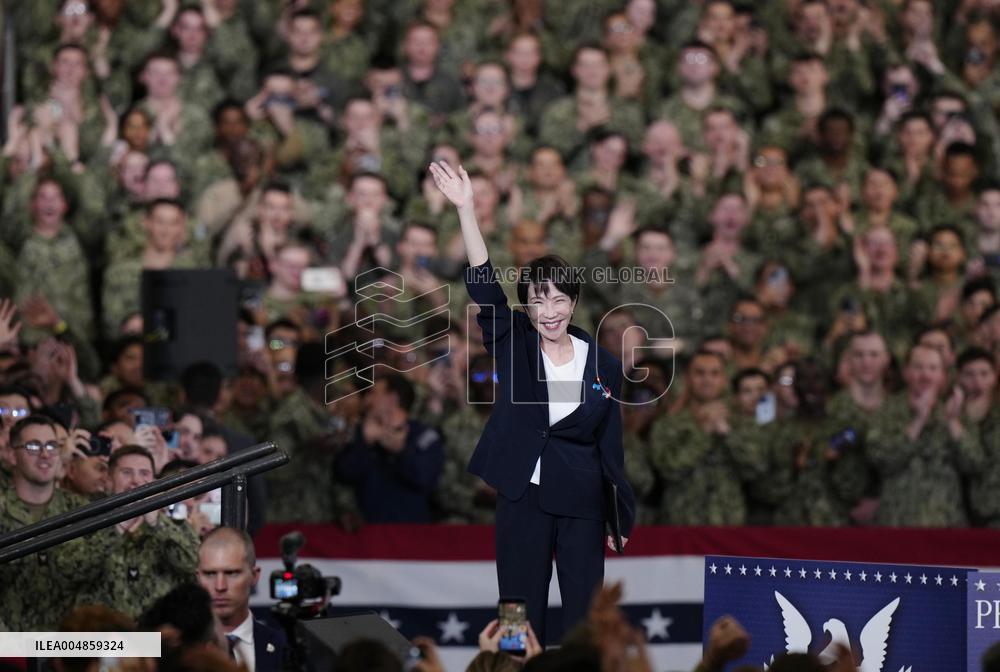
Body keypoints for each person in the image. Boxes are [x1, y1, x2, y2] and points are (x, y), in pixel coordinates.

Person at [428, 160, 635, 645]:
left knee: (586, 616)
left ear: (574, 302)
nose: (550, 312)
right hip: (523, 496)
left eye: (559, 300)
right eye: (538, 301)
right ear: (526, 305)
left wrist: (617, 515)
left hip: (583, 501)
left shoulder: (602, 363)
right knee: (518, 614)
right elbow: (482, 285)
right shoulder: (514, 342)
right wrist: (466, 211)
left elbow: (612, 445)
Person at [196, 527, 288, 672]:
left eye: (232, 573)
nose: (220, 586)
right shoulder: (165, 642)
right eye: (210, 574)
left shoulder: (284, 647)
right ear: (198, 577)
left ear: (254, 576)